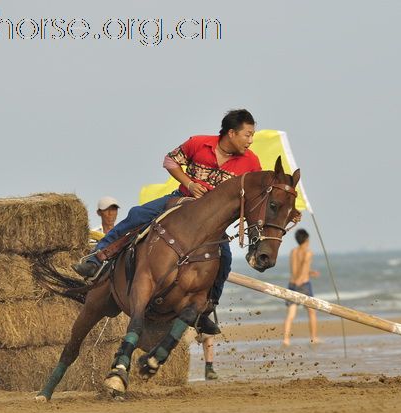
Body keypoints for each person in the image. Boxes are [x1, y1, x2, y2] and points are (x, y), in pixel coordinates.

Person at [73, 109, 263, 376]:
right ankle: (95, 258)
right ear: (231, 133)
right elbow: (170, 160)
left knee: (226, 258)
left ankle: (206, 309)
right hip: (181, 201)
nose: (251, 140)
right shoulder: (198, 143)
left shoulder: (251, 162)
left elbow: (258, 194)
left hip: (211, 224)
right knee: (137, 215)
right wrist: (189, 182)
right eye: (248, 134)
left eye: (252, 134)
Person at [283, 229, 321, 346]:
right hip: (303, 285)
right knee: (312, 312)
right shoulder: (308, 253)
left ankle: (286, 340)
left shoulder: (293, 252)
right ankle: (314, 338)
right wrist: (302, 279)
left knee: (291, 315)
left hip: (292, 284)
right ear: (306, 240)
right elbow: (303, 267)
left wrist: (310, 272)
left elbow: (295, 269)